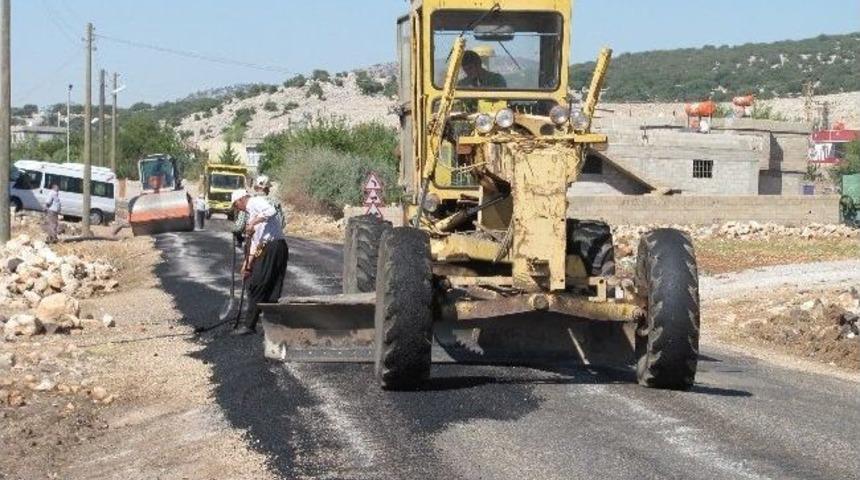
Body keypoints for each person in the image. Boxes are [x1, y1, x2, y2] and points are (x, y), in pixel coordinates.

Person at [230, 189, 289, 336]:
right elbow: (256, 245)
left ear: (240, 200)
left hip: (274, 247)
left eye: (236, 205)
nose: (237, 209)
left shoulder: (255, 202)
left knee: (258, 284)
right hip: (268, 248)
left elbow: (271, 210)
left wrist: (253, 223)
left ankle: (249, 325)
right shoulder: (251, 214)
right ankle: (271, 327)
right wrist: (247, 265)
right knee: (270, 288)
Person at [231, 175, 285, 246]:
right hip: (275, 241)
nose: (269, 190)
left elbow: (239, 227)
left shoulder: (249, 201)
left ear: (256, 187)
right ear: (266, 188)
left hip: (256, 242)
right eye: (268, 188)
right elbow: (282, 223)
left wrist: (237, 235)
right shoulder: (275, 202)